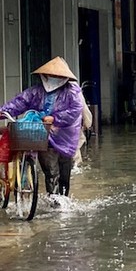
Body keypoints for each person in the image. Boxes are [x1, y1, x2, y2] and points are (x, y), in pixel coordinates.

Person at [0, 57, 83, 199]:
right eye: (51, 75)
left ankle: (63, 200)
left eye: (57, 76)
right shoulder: (36, 91)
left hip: (66, 138)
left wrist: (55, 118)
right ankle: (54, 201)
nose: (53, 78)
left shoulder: (72, 92)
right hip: (43, 135)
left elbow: (75, 111)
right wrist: (3, 112)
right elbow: (19, 102)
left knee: (64, 174)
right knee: (51, 172)